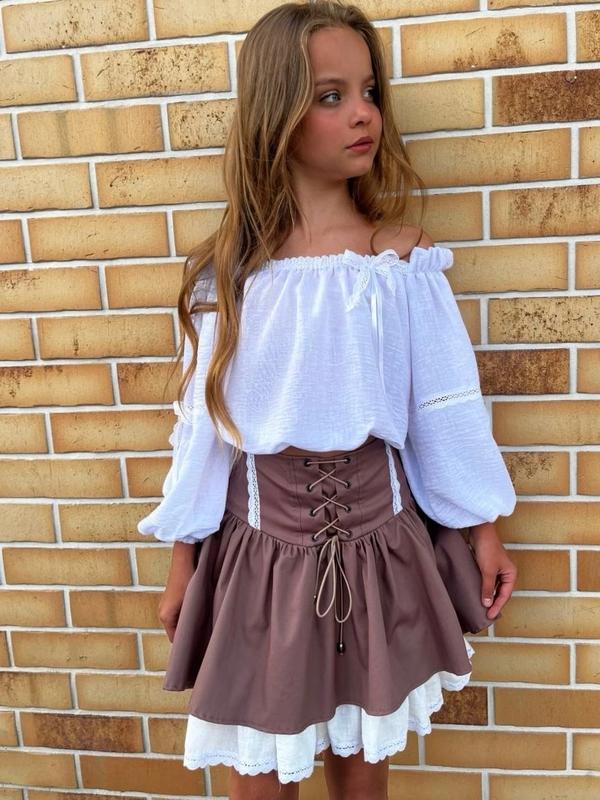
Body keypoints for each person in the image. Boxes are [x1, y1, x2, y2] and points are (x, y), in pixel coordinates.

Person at [137, 2, 518, 798]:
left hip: (381, 549)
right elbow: (202, 434)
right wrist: (182, 561)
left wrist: (482, 525)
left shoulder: (399, 265)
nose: (364, 114)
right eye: (331, 96)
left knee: (362, 771)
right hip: (259, 560)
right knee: (261, 780)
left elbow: (444, 410)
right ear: (276, 112)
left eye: (369, 92)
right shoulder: (229, 281)